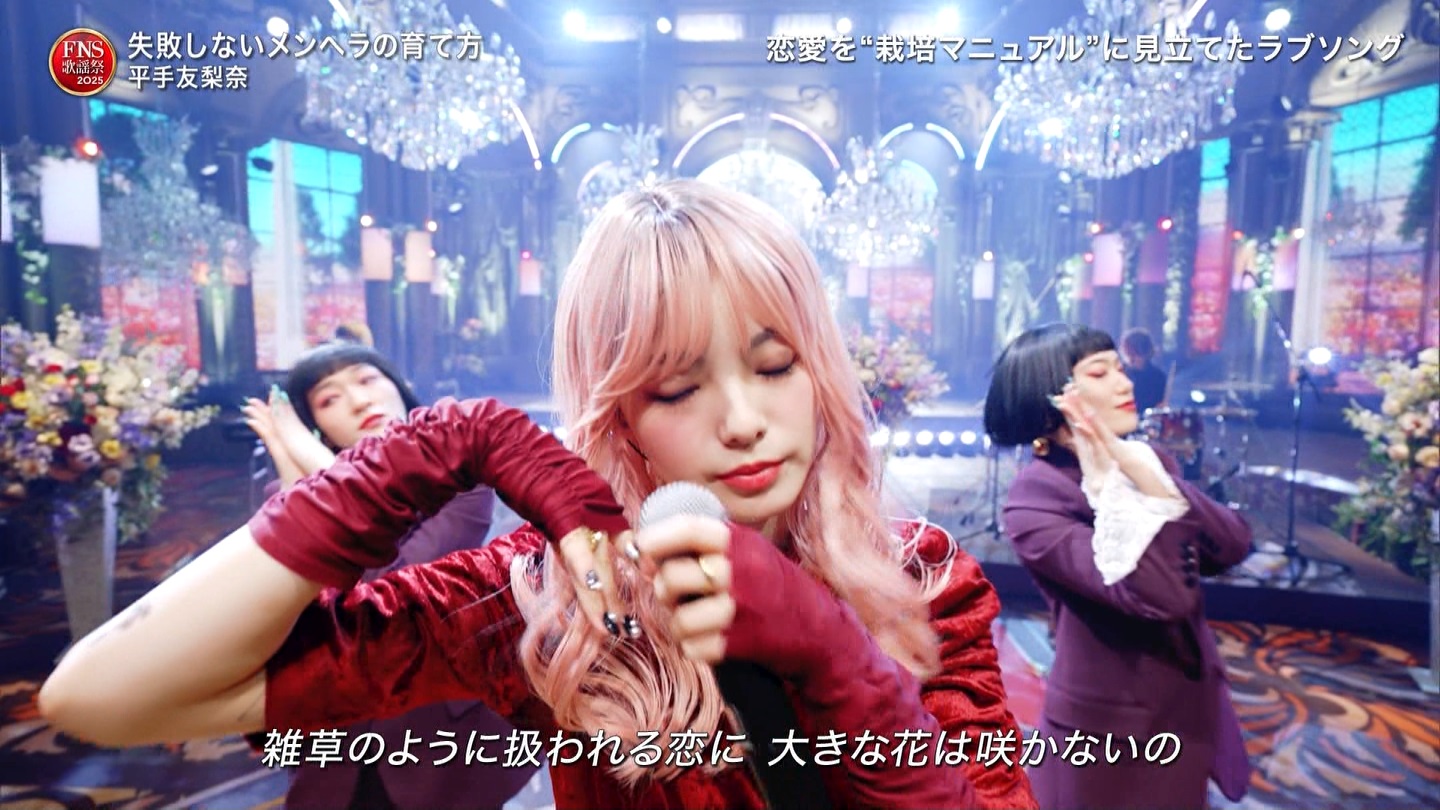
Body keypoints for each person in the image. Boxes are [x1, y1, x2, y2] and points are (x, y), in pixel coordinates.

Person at [39, 180, 1035, 809]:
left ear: (821, 370)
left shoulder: (926, 576)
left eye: (775, 366)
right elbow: (101, 696)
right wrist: (439, 441)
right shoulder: (550, 597)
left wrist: (831, 650)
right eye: (676, 389)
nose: (743, 419)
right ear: (623, 414)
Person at [239, 342, 536, 810]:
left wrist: (303, 451)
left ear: (398, 386)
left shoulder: (460, 475)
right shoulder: (288, 490)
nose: (359, 401)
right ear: (315, 425)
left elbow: (392, 582)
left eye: (366, 379)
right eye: (329, 399)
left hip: (436, 731)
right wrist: (283, 449)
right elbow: (297, 601)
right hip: (338, 731)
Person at [983, 323, 1253, 810]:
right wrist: (1118, 486)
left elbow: (1232, 545)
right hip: (1110, 737)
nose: (1125, 383)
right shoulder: (1036, 500)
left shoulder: (1144, 463)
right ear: (1053, 399)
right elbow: (1159, 597)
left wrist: (1147, 474)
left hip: (1186, 712)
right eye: (1099, 373)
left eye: (1120, 369)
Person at [1120, 327, 1167, 414]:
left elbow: (1159, 405)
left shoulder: (1158, 377)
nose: (1130, 358)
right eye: (1128, 354)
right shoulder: (1120, 374)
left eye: (1135, 354)